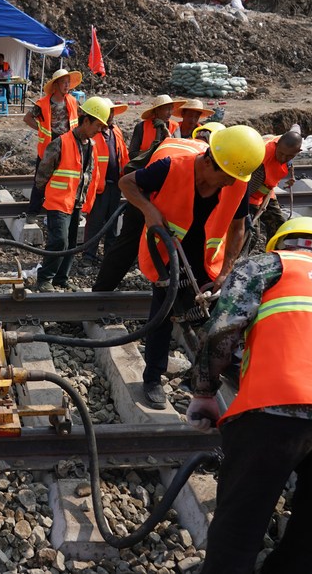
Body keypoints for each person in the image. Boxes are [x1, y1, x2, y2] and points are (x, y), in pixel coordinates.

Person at [187, 217, 312, 574]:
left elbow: (222, 329)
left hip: (277, 408)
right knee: (310, 533)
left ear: (280, 243)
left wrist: (204, 392)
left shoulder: (268, 264)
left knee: (239, 525)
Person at [119, 125, 265, 408]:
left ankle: (218, 371)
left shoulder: (236, 180)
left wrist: (226, 271)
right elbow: (127, 183)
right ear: (209, 161)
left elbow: (237, 229)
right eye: (225, 177)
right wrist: (149, 210)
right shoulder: (170, 168)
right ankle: (152, 378)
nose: (228, 184)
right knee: (162, 313)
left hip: (206, 260)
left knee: (213, 317)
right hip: (167, 254)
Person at [90, 123, 225, 292]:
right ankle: (104, 292)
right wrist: (149, 210)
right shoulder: (183, 163)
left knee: (128, 247)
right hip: (145, 194)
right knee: (131, 245)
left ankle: (102, 292)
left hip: (159, 191)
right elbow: (127, 182)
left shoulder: (193, 149)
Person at [34, 97, 109, 292]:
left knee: (73, 242)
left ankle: (61, 278)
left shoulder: (90, 145)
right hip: (58, 201)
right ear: (86, 121)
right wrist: (47, 193)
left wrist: (85, 200)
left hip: (76, 202)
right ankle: (44, 279)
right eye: (97, 125)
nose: (99, 130)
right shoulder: (61, 142)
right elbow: (43, 173)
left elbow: (89, 174)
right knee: (60, 241)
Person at [24, 69, 82, 220]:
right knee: (41, 178)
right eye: (64, 82)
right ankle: (32, 211)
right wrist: (41, 129)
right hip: (49, 145)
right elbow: (28, 118)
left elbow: (81, 118)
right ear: (56, 85)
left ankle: (72, 209)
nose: (67, 85)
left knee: (69, 178)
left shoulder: (72, 101)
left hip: (68, 145)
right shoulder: (43, 103)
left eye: (68, 82)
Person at [83, 99, 129, 259]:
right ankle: (89, 255)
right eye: (109, 112)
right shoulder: (94, 132)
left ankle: (109, 254)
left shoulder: (115, 130)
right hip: (99, 186)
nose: (112, 115)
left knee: (112, 222)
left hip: (115, 185)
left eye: (113, 112)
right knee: (95, 223)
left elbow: (123, 154)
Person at [245, 130, 302, 239]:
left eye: (289, 156)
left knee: (279, 229)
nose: (283, 158)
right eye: (281, 154)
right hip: (249, 195)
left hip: (266, 192)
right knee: (250, 234)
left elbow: (288, 162)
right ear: (277, 145)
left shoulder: (287, 146)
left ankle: (274, 253)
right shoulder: (261, 155)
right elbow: (246, 187)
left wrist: (291, 175)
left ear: (297, 152)